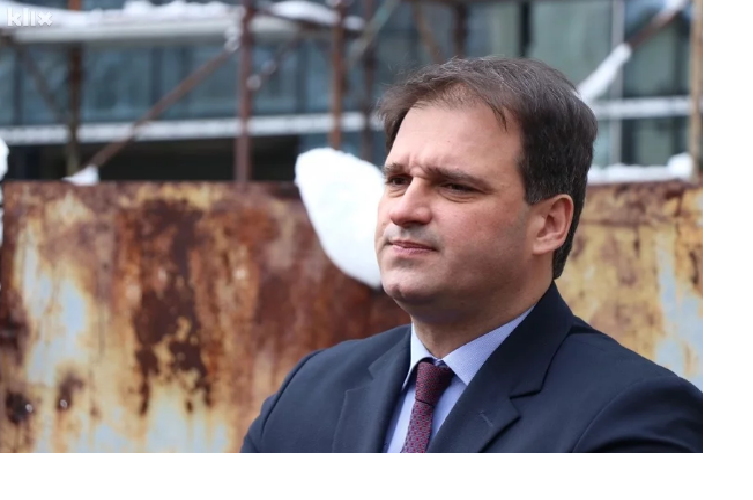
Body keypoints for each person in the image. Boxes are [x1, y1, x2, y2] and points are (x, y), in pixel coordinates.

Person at [240, 56, 703, 453]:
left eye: (455, 186)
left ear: (549, 223)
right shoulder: (308, 392)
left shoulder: (638, 417)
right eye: (397, 180)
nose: (404, 209)